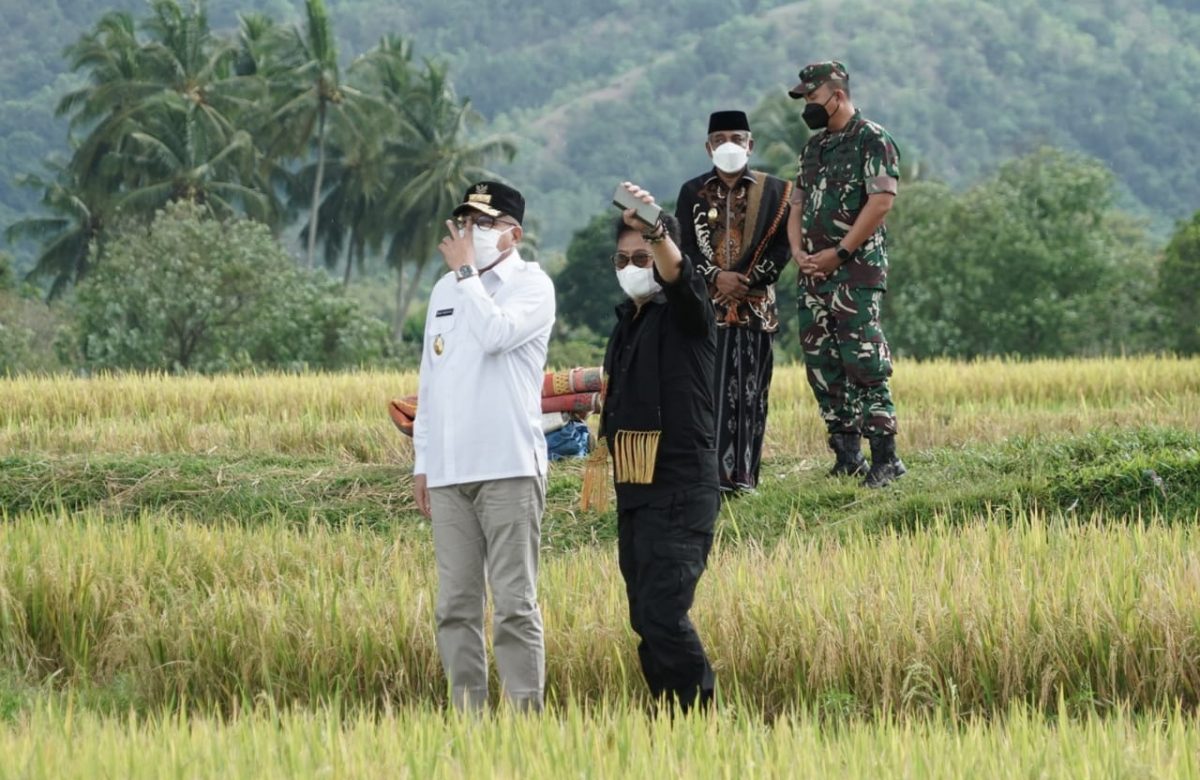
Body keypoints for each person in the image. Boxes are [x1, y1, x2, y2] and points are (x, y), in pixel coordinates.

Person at [411, 180, 555, 711]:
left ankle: (524, 720)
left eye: (484, 223)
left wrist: (467, 274)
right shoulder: (444, 291)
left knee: (515, 604)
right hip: (449, 472)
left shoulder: (532, 286)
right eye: (466, 221)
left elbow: (496, 335)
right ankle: (468, 719)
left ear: (512, 234)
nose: (471, 232)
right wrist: (423, 462)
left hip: (509, 467)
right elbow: (431, 380)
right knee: (455, 605)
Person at [600, 182, 719, 712]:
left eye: (642, 255)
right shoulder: (628, 323)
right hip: (635, 491)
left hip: (678, 488)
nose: (632, 266)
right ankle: (669, 719)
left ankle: (702, 717)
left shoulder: (687, 314)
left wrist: (657, 229)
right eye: (624, 258)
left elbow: (682, 277)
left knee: (666, 614)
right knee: (644, 617)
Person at [786, 61, 906, 488]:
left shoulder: (872, 139)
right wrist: (799, 252)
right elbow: (796, 204)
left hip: (854, 272)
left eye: (812, 99)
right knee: (823, 363)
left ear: (836, 95)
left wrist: (839, 252)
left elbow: (881, 203)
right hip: (814, 274)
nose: (808, 108)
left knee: (864, 361)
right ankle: (847, 454)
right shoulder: (813, 149)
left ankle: (886, 457)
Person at [676, 110, 792, 494]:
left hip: (756, 309)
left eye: (737, 138)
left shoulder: (776, 192)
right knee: (709, 394)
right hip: (708, 312)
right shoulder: (692, 192)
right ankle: (712, 479)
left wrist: (747, 281)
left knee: (751, 394)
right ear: (708, 146)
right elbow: (684, 246)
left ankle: (745, 477)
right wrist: (716, 278)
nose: (730, 145)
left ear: (750, 145)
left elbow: (782, 247)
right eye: (721, 138)